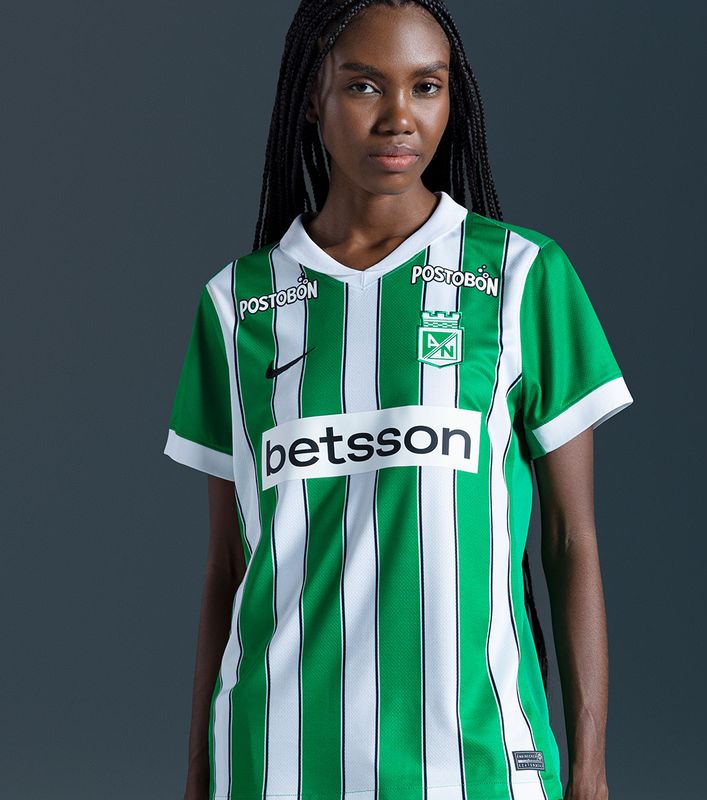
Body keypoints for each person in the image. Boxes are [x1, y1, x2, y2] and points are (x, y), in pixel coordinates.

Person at [162, 2, 634, 799]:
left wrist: (588, 767)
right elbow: (227, 568)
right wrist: (200, 771)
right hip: (277, 755)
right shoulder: (237, 305)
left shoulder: (520, 277)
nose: (399, 118)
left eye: (426, 86)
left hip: (474, 758)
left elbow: (570, 541)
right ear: (311, 97)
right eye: (363, 86)